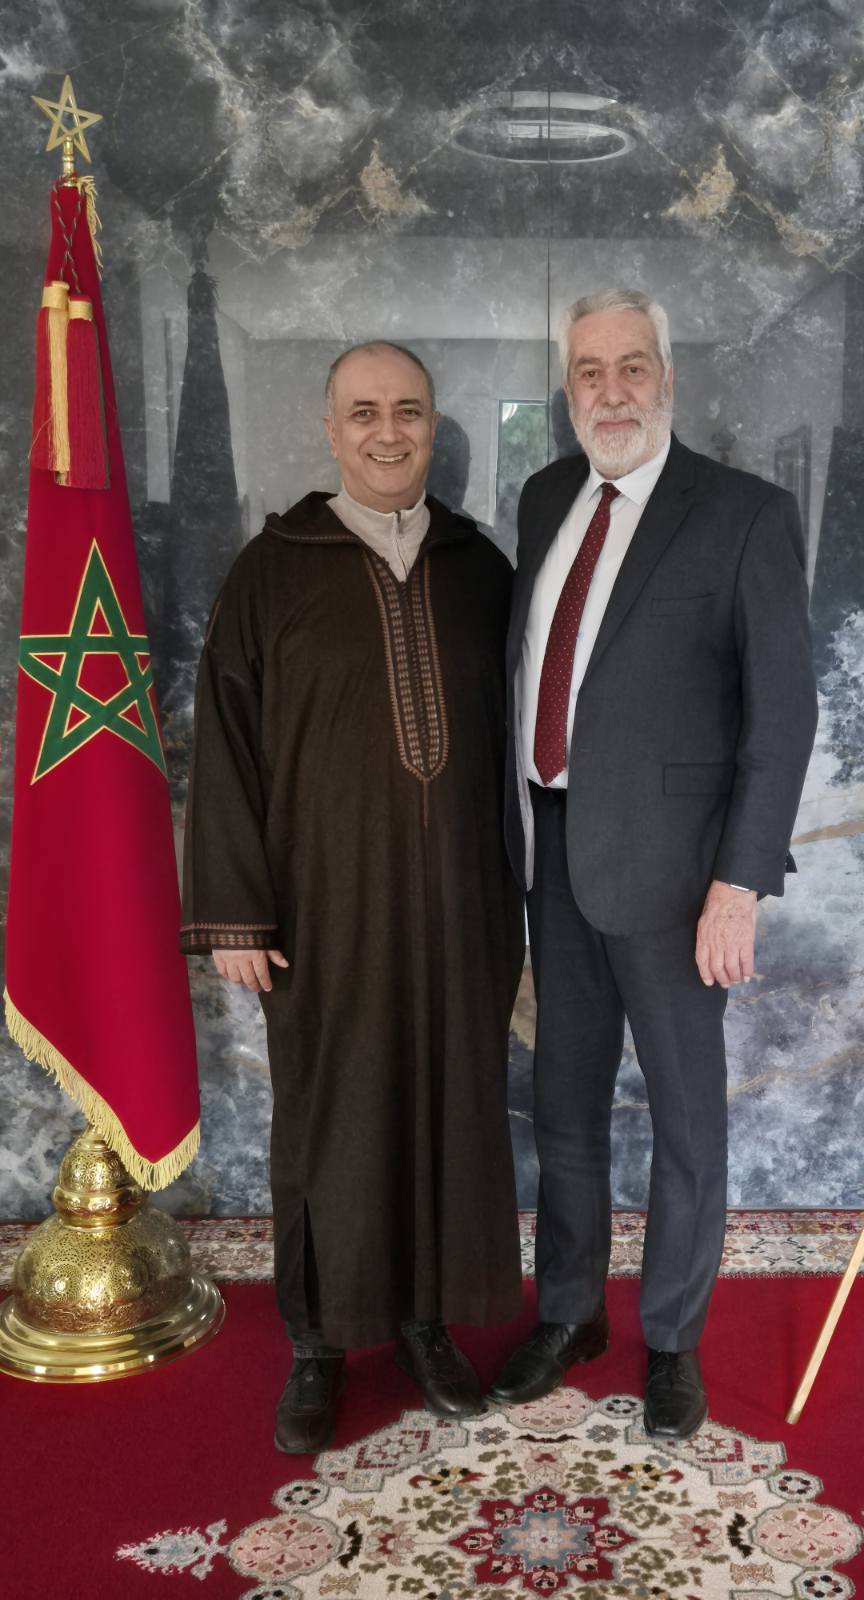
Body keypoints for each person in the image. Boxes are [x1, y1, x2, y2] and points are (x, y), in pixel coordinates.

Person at [180, 342, 524, 1453]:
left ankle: (424, 1324)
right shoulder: (270, 569)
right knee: (332, 1119)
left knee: (448, 1108)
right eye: (364, 412)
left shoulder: (481, 570)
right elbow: (225, 747)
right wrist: (236, 912)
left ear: (433, 426)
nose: (388, 432)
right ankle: (319, 1343)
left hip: (463, 904)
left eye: (408, 411)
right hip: (323, 909)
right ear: (330, 431)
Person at [490, 288, 817, 1439]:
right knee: (564, 1108)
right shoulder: (544, 498)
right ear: (567, 387)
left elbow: (783, 716)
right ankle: (569, 1313)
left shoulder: (743, 514)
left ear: (666, 377)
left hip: (680, 883)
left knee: (685, 1121)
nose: (612, 390)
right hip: (554, 857)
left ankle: (672, 1339)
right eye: (590, 371)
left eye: (633, 366)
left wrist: (740, 882)